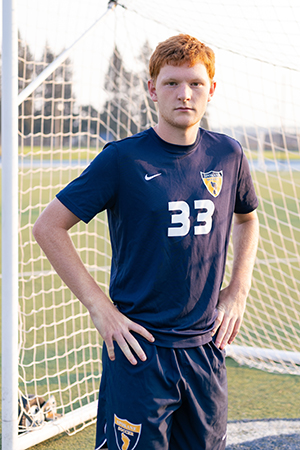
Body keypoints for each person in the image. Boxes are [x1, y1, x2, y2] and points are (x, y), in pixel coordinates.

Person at [33, 34, 259, 450]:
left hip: (205, 349)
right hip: (140, 350)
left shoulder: (228, 154)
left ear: (212, 89)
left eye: (195, 83)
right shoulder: (123, 159)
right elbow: (48, 227)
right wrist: (101, 310)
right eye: (171, 83)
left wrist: (238, 289)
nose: (184, 94)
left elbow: (247, 219)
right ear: (151, 89)